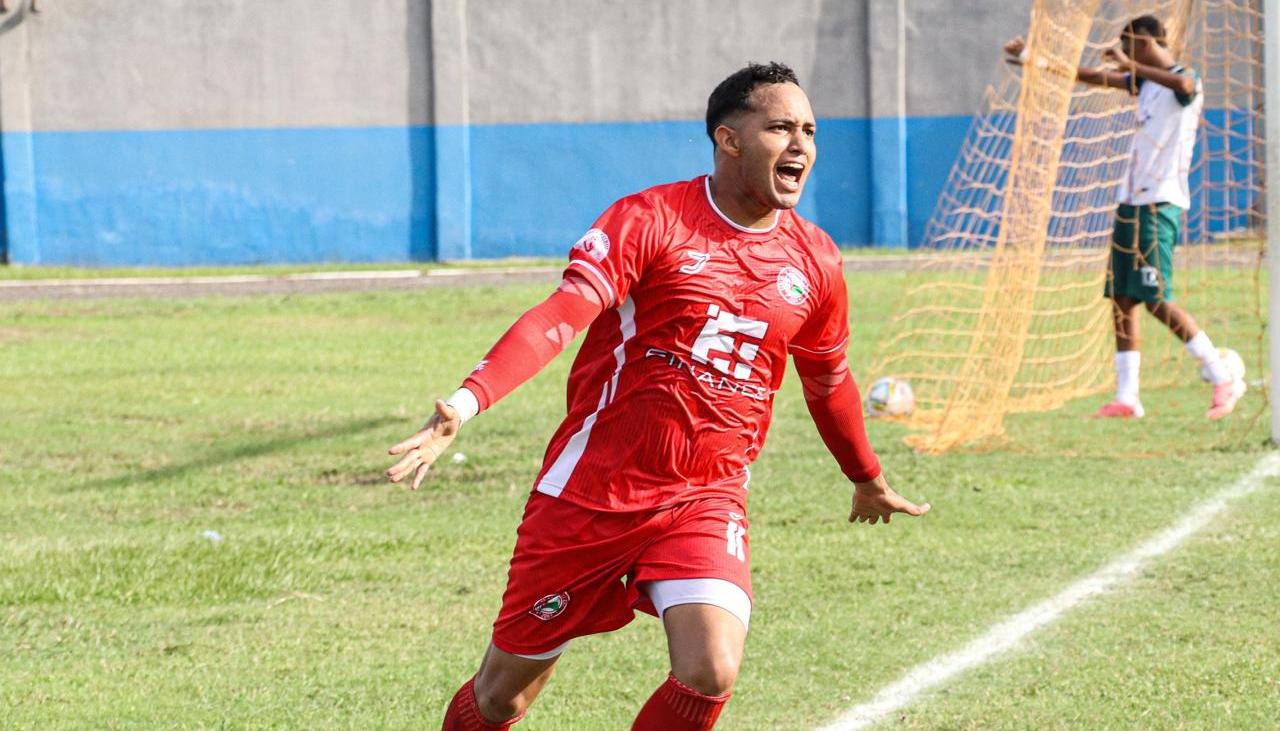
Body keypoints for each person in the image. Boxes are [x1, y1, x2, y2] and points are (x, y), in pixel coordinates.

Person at [386, 62, 930, 730]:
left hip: (706, 494)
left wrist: (865, 476)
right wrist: (466, 402)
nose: (801, 146)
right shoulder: (651, 219)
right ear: (729, 139)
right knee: (503, 696)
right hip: (591, 493)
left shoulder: (815, 260)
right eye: (780, 127)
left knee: (711, 668)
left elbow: (828, 380)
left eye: (809, 130)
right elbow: (561, 316)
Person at [1004, 15, 1245, 420]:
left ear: (1146, 40)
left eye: (1128, 43)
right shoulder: (1148, 83)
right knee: (1122, 297)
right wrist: (1033, 58)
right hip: (1130, 202)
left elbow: (1184, 86)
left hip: (1159, 204)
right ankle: (1128, 397)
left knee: (1155, 298)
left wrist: (1130, 65)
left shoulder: (1184, 80)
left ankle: (1220, 375)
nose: (1123, 51)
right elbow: (1092, 77)